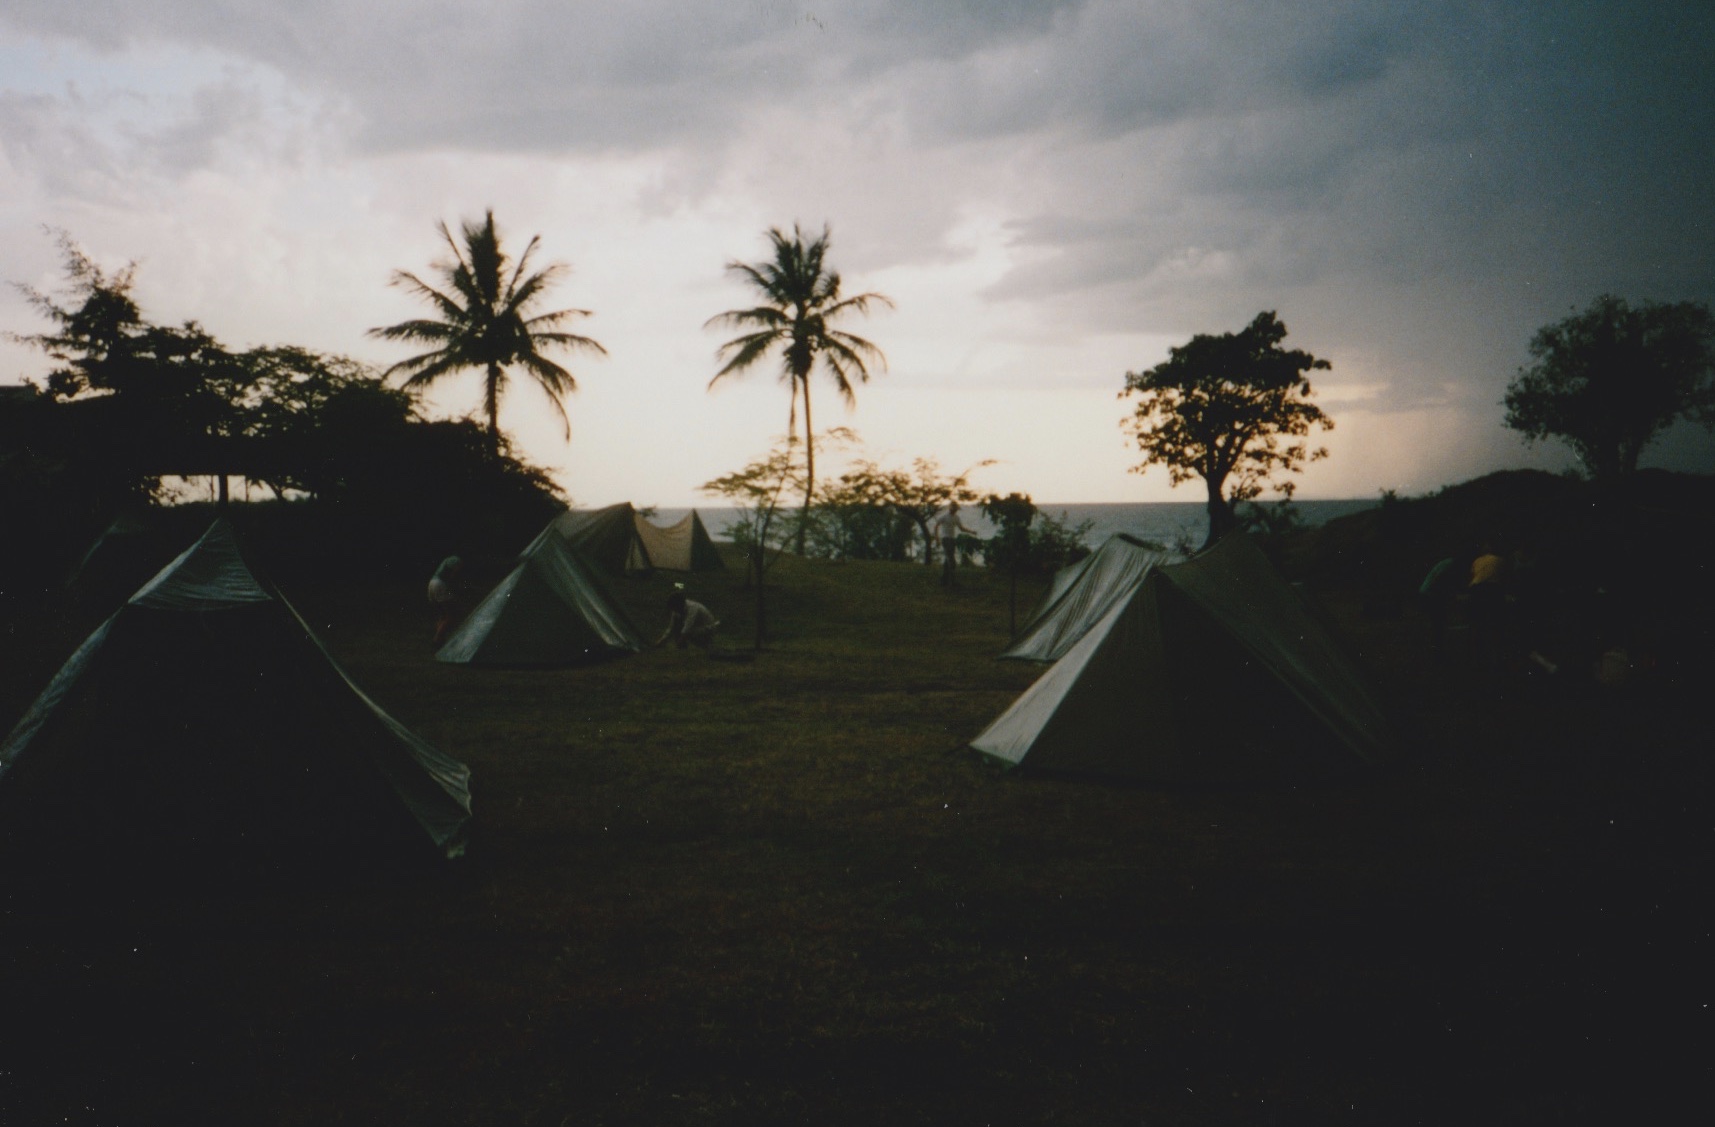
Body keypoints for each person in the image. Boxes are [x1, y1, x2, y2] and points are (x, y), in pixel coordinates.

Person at [657, 588, 719, 653]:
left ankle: (707, 645)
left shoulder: (693, 608)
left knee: (686, 632)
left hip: (707, 629)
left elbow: (687, 627)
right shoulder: (676, 610)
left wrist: (680, 640)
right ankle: (683, 648)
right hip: (696, 628)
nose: (673, 610)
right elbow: (671, 627)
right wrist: (661, 641)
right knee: (677, 626)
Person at [427, 556, 463, 649]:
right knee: (450, 616)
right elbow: (453, 575)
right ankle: (436, 640)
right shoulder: (456, 560)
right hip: (439, 584)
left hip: (432, 583)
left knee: (442, 615)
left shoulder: (448, 559)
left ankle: (440, 640)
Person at [935, 502, 974, 586]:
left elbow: (961, 528)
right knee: (951, 560)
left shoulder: (956, 518)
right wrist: (937, 539)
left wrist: (971, 532)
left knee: (948, 560)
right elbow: (936, 526)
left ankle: (944, 580)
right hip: (945, 539)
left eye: (956, 509)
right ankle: (952, 581)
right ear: (950, 508)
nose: (955, 510)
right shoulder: (944, 517)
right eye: (953, 509)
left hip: (952, 539)